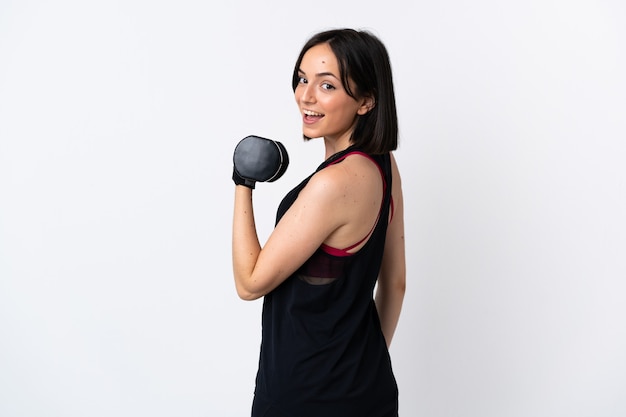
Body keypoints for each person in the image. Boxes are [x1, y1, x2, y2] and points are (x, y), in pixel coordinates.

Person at [232, 28, 406, 417]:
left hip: (303, 397)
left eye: (327, 85)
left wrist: (243, 180)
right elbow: (395, 282)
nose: (305, 96)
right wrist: (359, 366)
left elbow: (249, 282)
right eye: (302, 78)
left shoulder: (331, 184)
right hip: (368, 390)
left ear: (366, 101)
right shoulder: (385, 166)